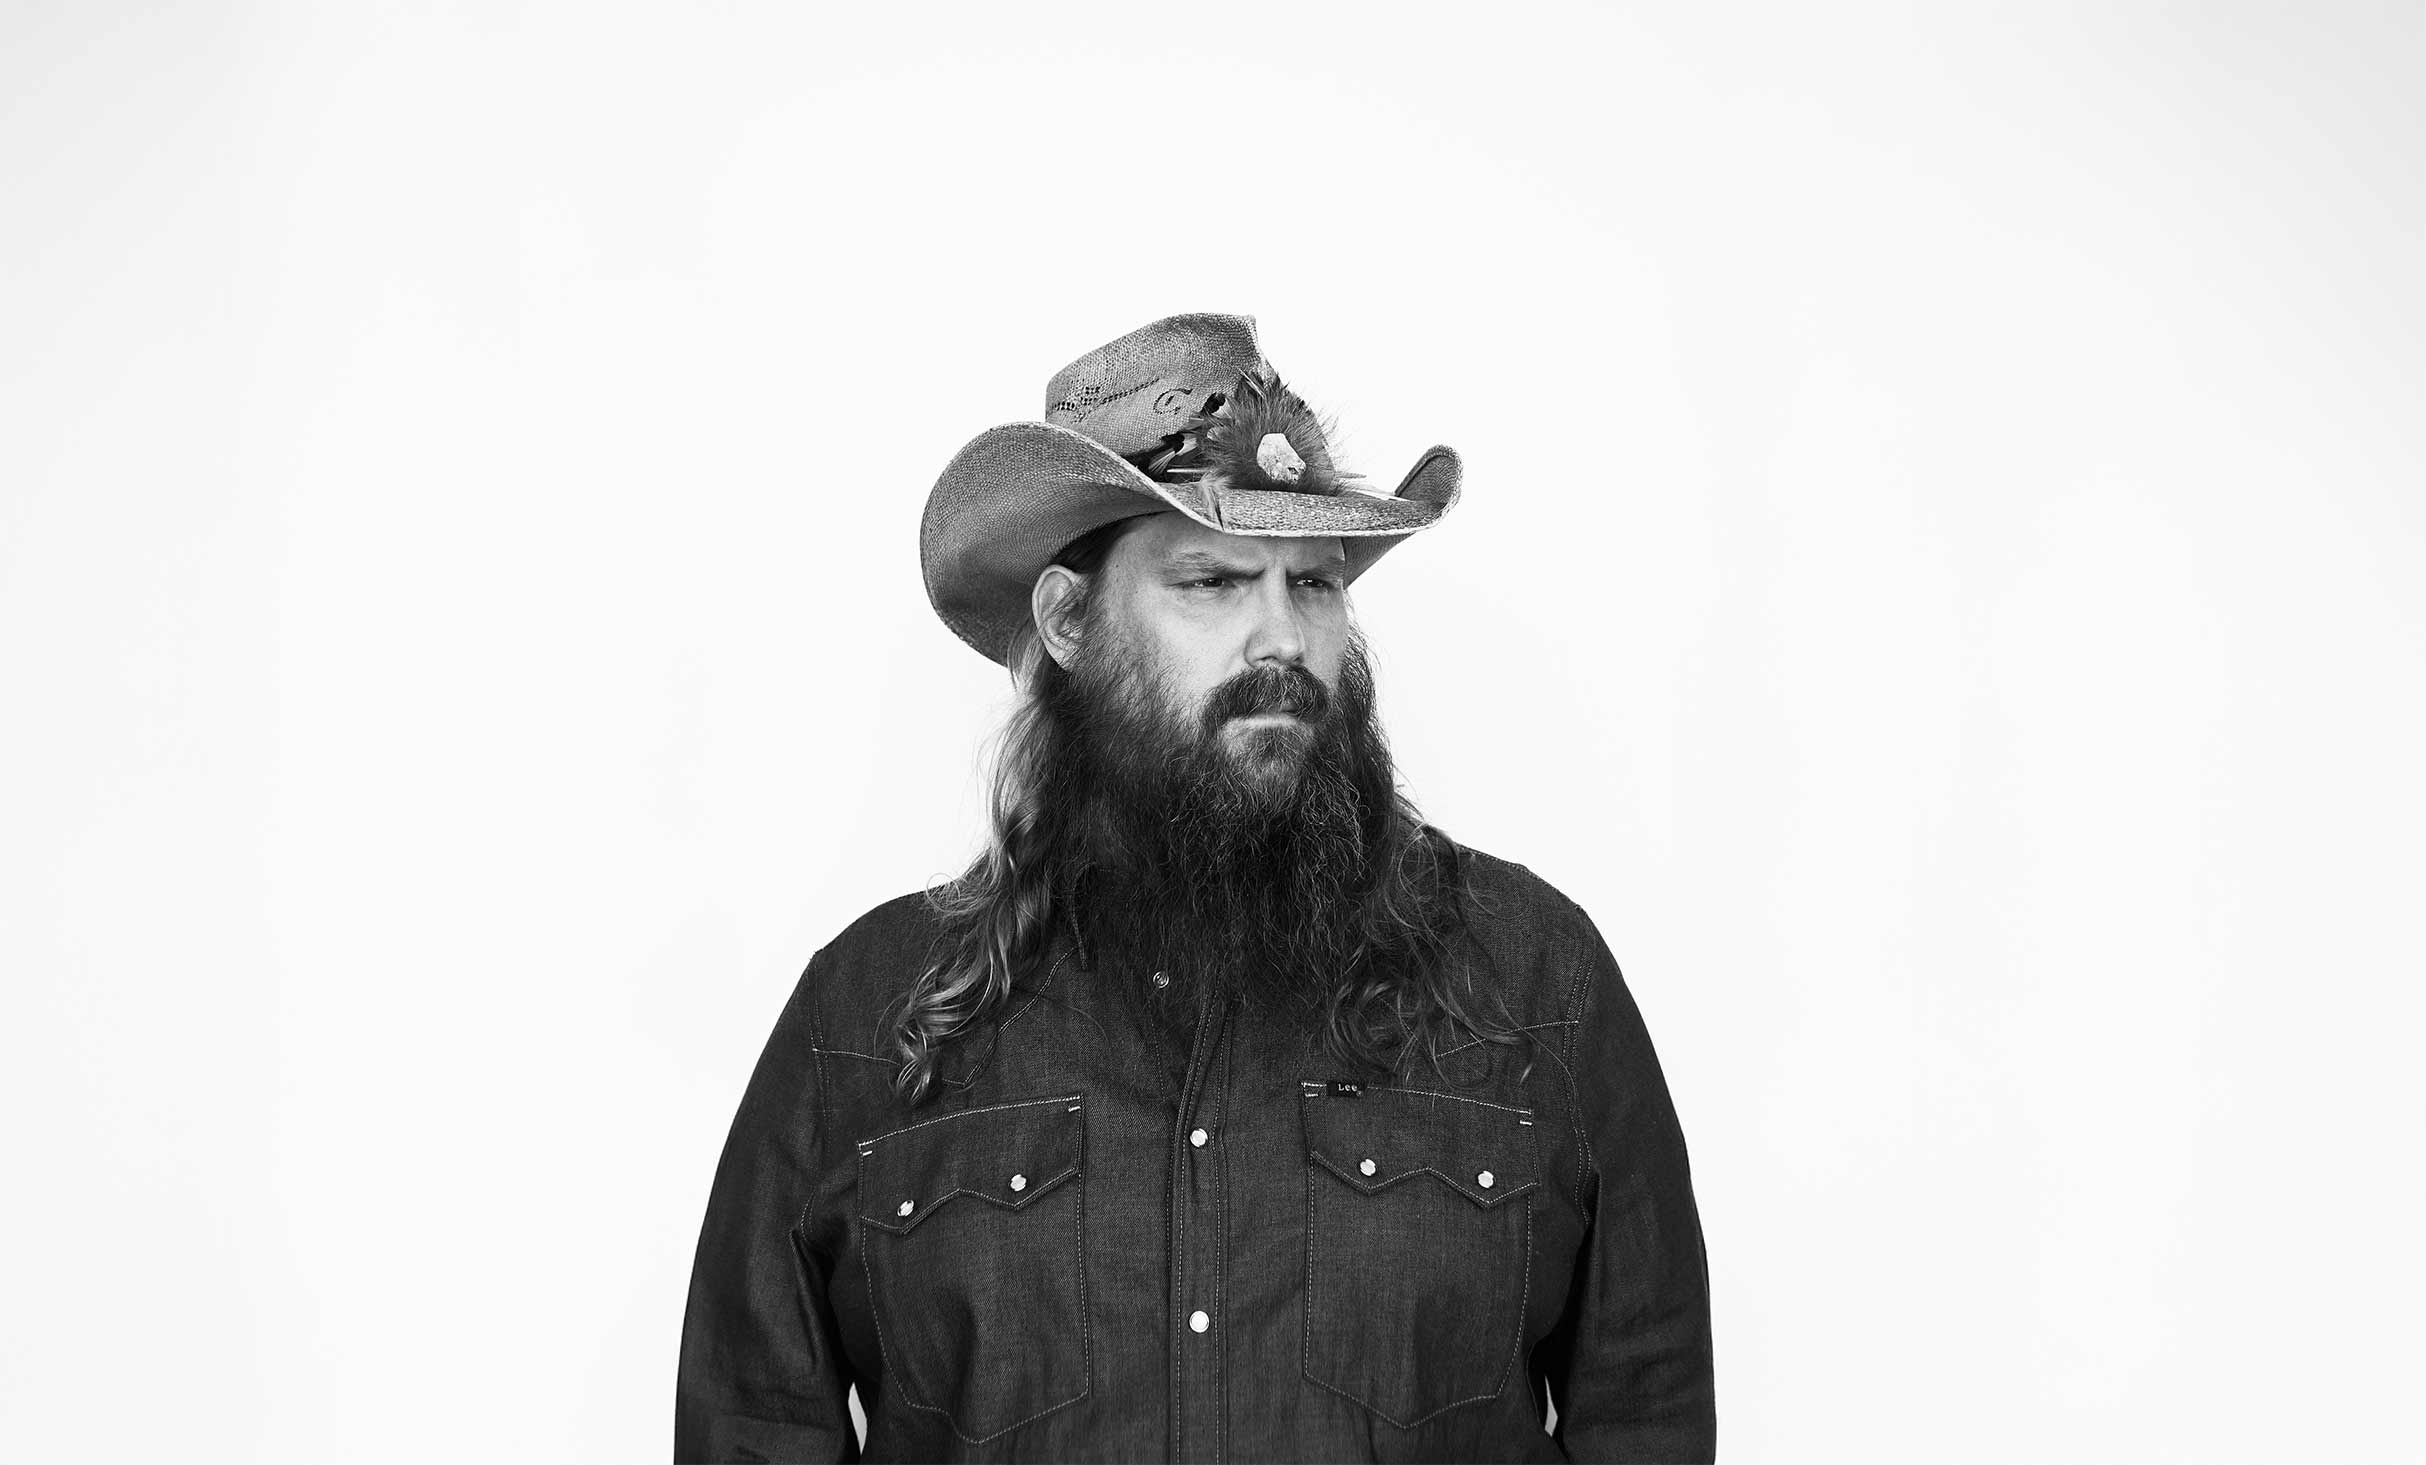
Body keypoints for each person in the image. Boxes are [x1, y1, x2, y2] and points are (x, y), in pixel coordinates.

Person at [675, 314, 1715, 1463]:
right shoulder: (867, 1012)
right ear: (1069, 621)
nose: (1282, 635)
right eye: (1213, 581)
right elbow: (752, 1427)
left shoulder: (1534, 978)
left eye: (1313, 583)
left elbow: (1645, 1410)